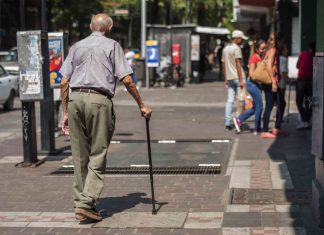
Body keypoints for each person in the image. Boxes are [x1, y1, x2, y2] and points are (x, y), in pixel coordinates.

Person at [59, 13, 152, 223]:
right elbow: (127, 80)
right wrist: (142, 105)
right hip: (99, 101)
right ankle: (86, 202)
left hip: (75, 100)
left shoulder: (76, 47)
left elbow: (64, 82)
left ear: (92, 26)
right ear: (109, 27)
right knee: (98, 153)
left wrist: (66, 111)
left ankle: (81, 202)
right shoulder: (113, 46)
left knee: (79, 156)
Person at [232, 40, 266, 134]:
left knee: (255, 107)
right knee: (260, 106)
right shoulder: (254, 58)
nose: (264, 50)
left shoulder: (260, 57)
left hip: (256, 85)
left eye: (265, 48)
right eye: (262, 48)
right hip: (252, 84)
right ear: (257, 49)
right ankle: (257, 128)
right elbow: (252, 74)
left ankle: (239, 120)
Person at [261, 32, 285, 138]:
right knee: (269, 106)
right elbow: (268, 67)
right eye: (271, 39)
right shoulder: (273, 50)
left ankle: (276, 128)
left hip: (271, 82)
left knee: (282, 104)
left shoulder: (268, 51)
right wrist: (274, 82)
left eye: (273, 39)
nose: (272, 41)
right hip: (271, 82)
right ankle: (265, 131)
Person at [222, 30, 247, 130]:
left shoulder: (225, 49)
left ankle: (228, 122)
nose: (242, 41)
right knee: (241, 101)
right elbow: (238, 64)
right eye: (241, 39)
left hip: (230, 78)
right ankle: (238, 121)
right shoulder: (236, 49)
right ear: (237, 38)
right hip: (238, 77)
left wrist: (225, 79)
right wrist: (241, 80)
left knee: (230, 100)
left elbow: (223, 65)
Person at [295, 42, 314, 129]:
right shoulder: (315, 57)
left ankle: (305, 120)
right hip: (310, 80)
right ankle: (307, 119)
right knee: (309, 102)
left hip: (301, 80)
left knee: (299, 102)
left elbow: (297, 65)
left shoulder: (303, 54)